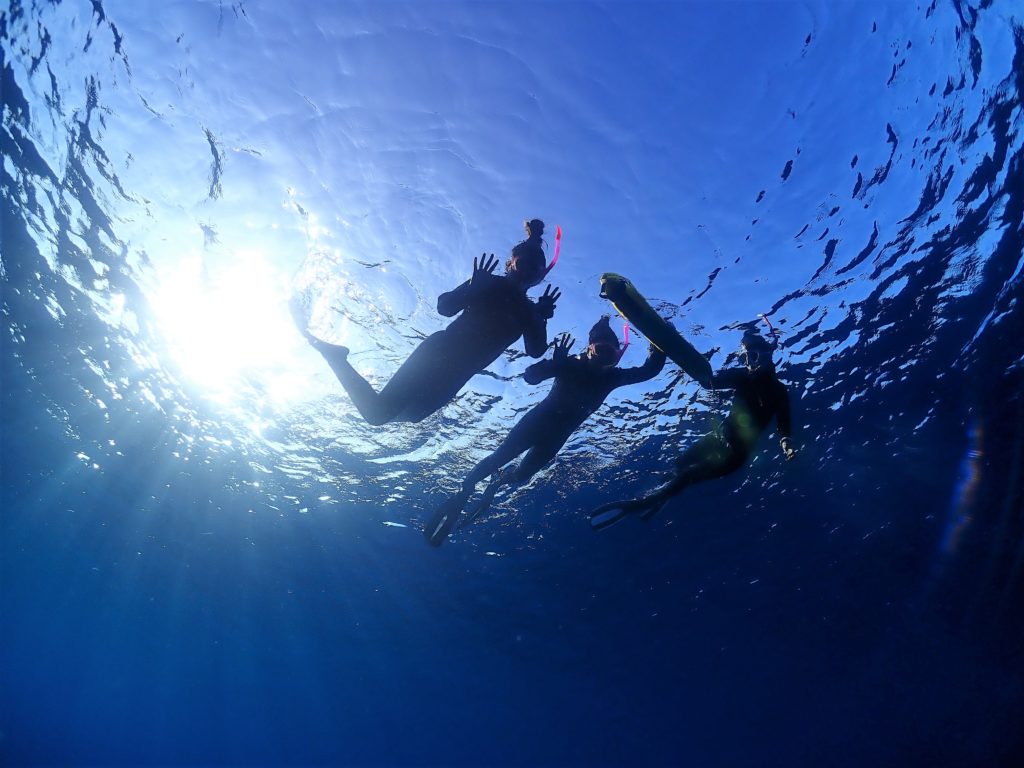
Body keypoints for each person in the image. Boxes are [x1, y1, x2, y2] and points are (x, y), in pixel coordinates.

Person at [425, 317, 667, 545]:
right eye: (599, 350)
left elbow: (649, 371)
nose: (604, 358)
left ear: (618, 355)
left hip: (554, 439)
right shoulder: (570, 364)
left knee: (521, 476)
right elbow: (530, 377)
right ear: (589, 348)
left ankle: (495, 485)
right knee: (497, 458)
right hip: (534, 425)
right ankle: (462, 494)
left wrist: (659, 343)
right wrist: (554, 364)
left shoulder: (614, 377)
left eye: (610, 353)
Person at [292, 219, 561, 425]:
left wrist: (541, 319)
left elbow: (535, 351)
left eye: (535, 269)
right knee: (377, 414)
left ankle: (341, 364)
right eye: (523, 263)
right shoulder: (489, 283)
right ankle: (336, 358)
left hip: (460, 373)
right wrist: (472, 286)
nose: (528, 271)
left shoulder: (529, 311)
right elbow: (445, 307)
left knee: (412, 417)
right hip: (438, 352)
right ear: (511, 263)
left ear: (540, 276)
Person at [589, 330, 796, 530]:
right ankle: (662, 496)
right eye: (748, 357)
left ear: (769, 355)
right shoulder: (741, 376)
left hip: (735, 455)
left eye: (755, 355)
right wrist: (697, 364)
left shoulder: (778, 390)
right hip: (717, 439)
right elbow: (708, 383)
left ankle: (645, 502)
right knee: (679, 465)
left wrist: (786, 443)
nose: (751, 362)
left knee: (688, 475)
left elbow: (783, 423)